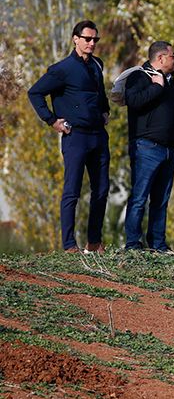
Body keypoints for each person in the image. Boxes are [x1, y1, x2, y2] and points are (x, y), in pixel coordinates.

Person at [28, 20, 111, 254]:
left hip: (98, 136)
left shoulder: (97, 65)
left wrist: (105, 111)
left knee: (102, 189)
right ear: (75, 39)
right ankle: (69, 244)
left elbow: (100, 94)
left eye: (95, 39)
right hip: (76, 137)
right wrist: (51, 120)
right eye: (87, 39)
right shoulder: (62, 69)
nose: (92, 43)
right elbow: (34, 93)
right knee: (72, 190)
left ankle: (94, 242)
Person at [123, 41, 174, 252]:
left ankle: (158, 243)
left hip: (169, 149)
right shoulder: (138, 77)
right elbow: (134, 101)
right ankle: (133, 243)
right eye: (173, 56)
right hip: (146, 147)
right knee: (140, 196)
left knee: (161, 199)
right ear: (160, 58)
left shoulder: (171, 81)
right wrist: (156, 87)